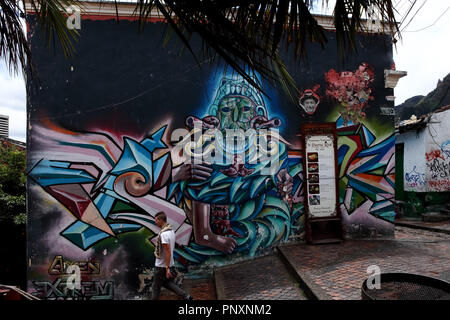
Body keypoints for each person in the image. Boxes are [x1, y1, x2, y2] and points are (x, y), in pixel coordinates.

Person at [151, 211, 193, 300]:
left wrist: (167, 268)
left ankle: (186, 296)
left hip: (161, 266)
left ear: (161, 220)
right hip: (166, 264)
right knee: (166, 283)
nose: (155, 222)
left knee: (155, 287)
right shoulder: (171, 231)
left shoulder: (164, 234)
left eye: (156, 220)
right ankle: (186, 296)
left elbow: (167, 252)